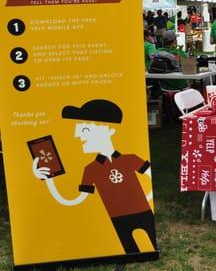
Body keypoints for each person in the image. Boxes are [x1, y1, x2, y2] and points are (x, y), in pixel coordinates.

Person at [32, 99, 157, 254]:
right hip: (118, 217)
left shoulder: (130, 159)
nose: (78, 136)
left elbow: (151, 176)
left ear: (109, 130)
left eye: (84, 130)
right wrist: (48, 179)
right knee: (131, 249)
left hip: (143, 211)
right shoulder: (91, 169)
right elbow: (72, 200)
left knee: (151, 240)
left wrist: (147, 196)